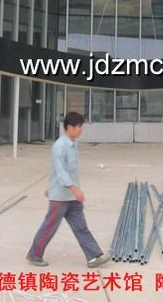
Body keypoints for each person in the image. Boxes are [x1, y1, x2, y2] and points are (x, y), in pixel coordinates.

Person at [26, 111, 109, 268]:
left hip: (71, 197)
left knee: (81, 226)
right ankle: (34, 254)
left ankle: (93, 256)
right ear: (70, 127)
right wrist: (73, 189)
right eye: (79, 126)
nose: (81, 130)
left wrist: (70, 189)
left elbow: (70, 171)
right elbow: (61, 172)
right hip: (60, 197)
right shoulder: (59, 146)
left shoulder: (73, 144)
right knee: (49, 227)